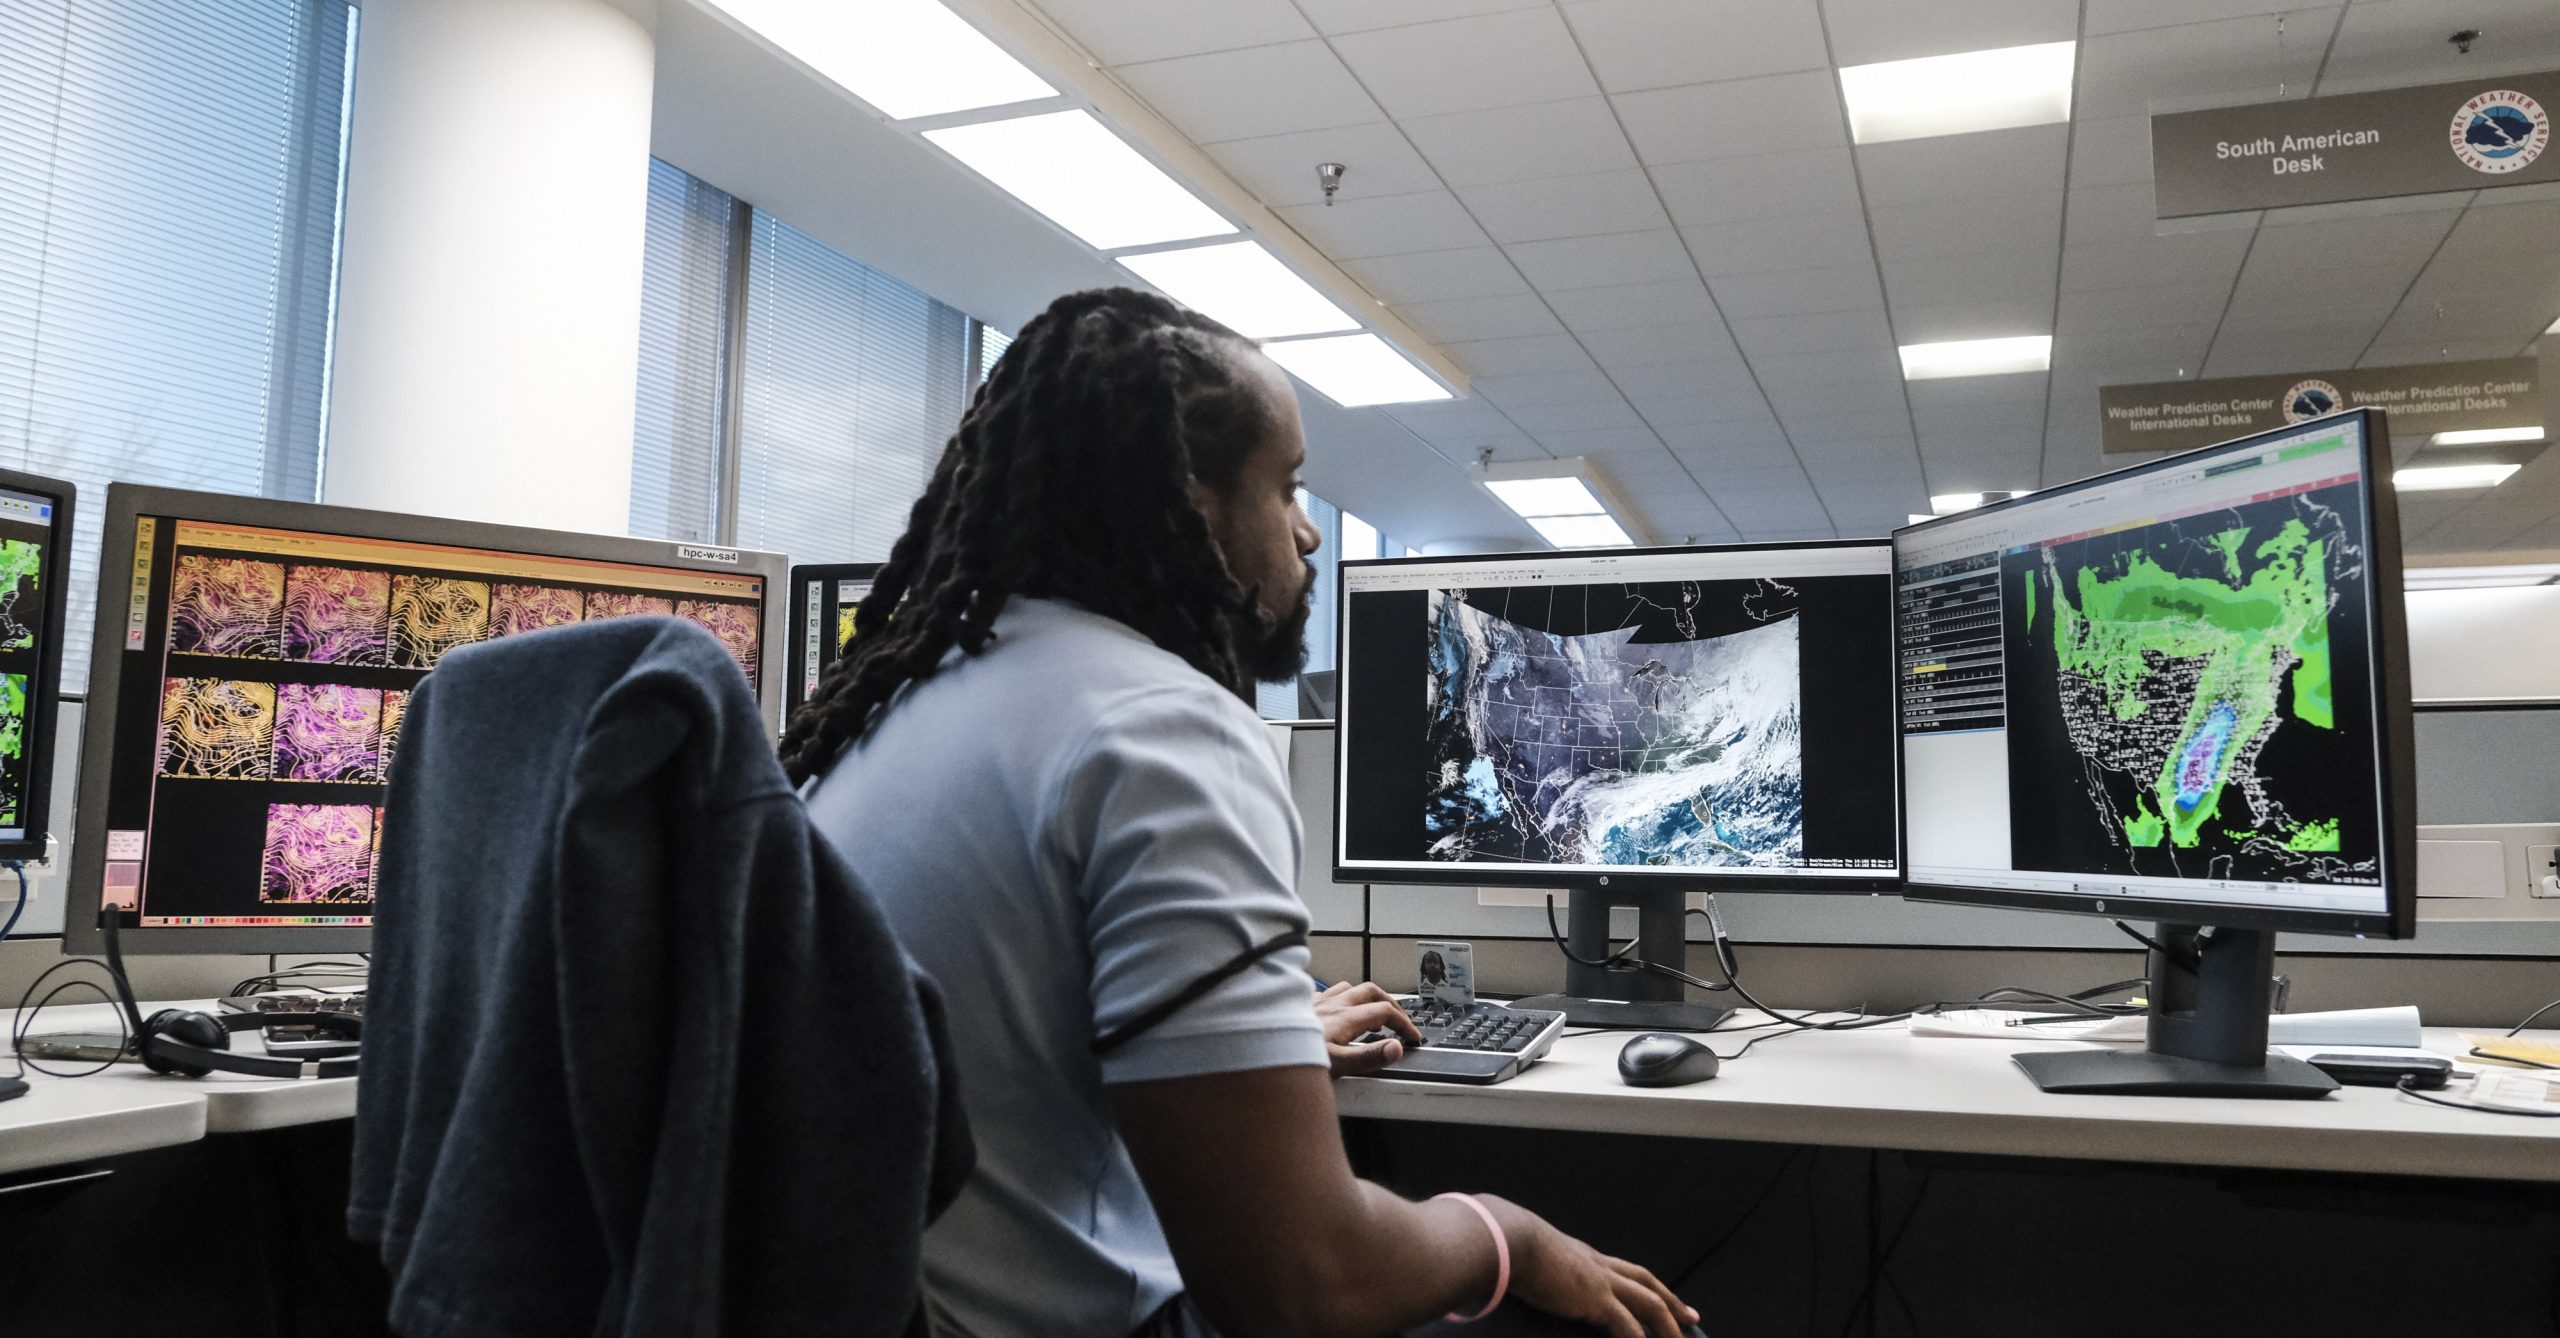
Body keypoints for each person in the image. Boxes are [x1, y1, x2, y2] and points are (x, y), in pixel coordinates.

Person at [788, 288, 1701, 1338]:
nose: (1309, 532)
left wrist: (1240, 1047)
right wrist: (1511, 1233)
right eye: (1287, 487)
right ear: (1191, 498)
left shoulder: (894, 704)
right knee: (1561, 1310)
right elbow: (1303, 1287)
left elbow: (996, 1049)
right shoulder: (1160, 731)